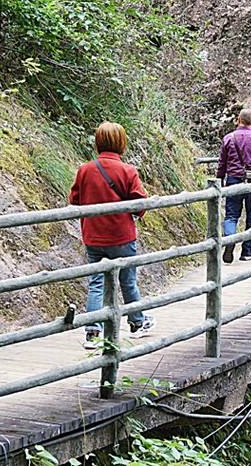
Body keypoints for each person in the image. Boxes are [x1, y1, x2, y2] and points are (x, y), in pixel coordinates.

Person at [70, 122, 156, 349]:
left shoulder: (85, 170)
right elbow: (140, 205)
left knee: (96, 283)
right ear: (121, 143)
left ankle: (92, 333)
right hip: (121, 236)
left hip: (93, 236)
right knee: (127, 282)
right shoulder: (128, 171)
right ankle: (137, 323)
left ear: (97, 142)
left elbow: (75, 200)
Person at [216, 108, 251, 263]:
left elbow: (222, 162)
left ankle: (230, 239)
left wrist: (220, 179)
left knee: (231, 215)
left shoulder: (229, 138)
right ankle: (247, 251)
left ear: (238, 120)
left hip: (233, 180)